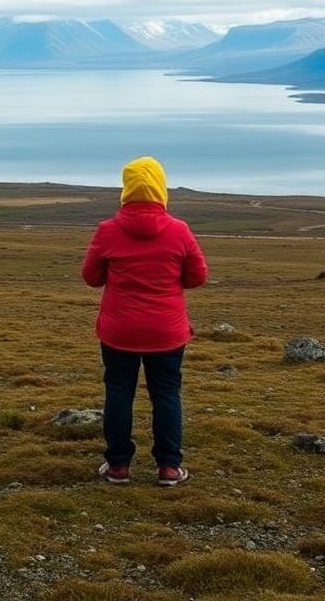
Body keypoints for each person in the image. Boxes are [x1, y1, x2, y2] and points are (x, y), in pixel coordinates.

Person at [81, 155, 209, 486]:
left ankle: (118, 466)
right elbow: (197, 277)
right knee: (166, 393)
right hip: (166, 331)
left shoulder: (108, 231)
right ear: (160, 189)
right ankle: (169, 467)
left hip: (119, 331)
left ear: (126, 190)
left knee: (118, 392)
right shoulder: (179, 230)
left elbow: (92, 277)